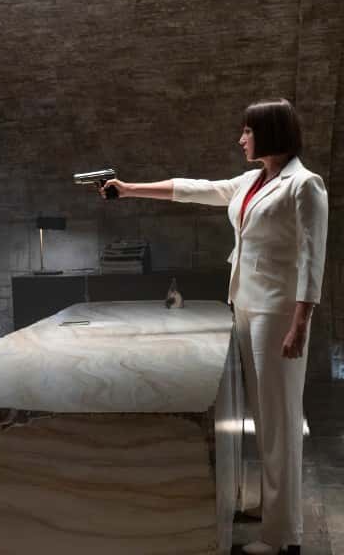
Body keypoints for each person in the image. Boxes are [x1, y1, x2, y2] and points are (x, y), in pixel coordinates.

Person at [101, 98, 328, 555]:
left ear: (270, 132)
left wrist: (301, 322)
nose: (241, 139)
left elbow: (311, 257)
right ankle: (274, 508)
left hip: (278, 311)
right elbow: (195, 189)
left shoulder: (305, 185)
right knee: (263, 416)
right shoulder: (252, 181)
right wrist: (129, 189)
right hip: (246, 304)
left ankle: (283, 535)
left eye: (248, 131)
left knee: (280, 420)